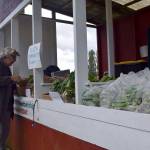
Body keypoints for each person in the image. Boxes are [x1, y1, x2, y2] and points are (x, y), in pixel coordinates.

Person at [0, 48, 21, 150]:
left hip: (6, 105)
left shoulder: (7, 68)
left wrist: (17, 86)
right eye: (12, 60)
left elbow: (9, 83)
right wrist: (11, 78)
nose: (13, 63)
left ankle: (2, 146)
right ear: (6, 57)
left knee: (5, 129)